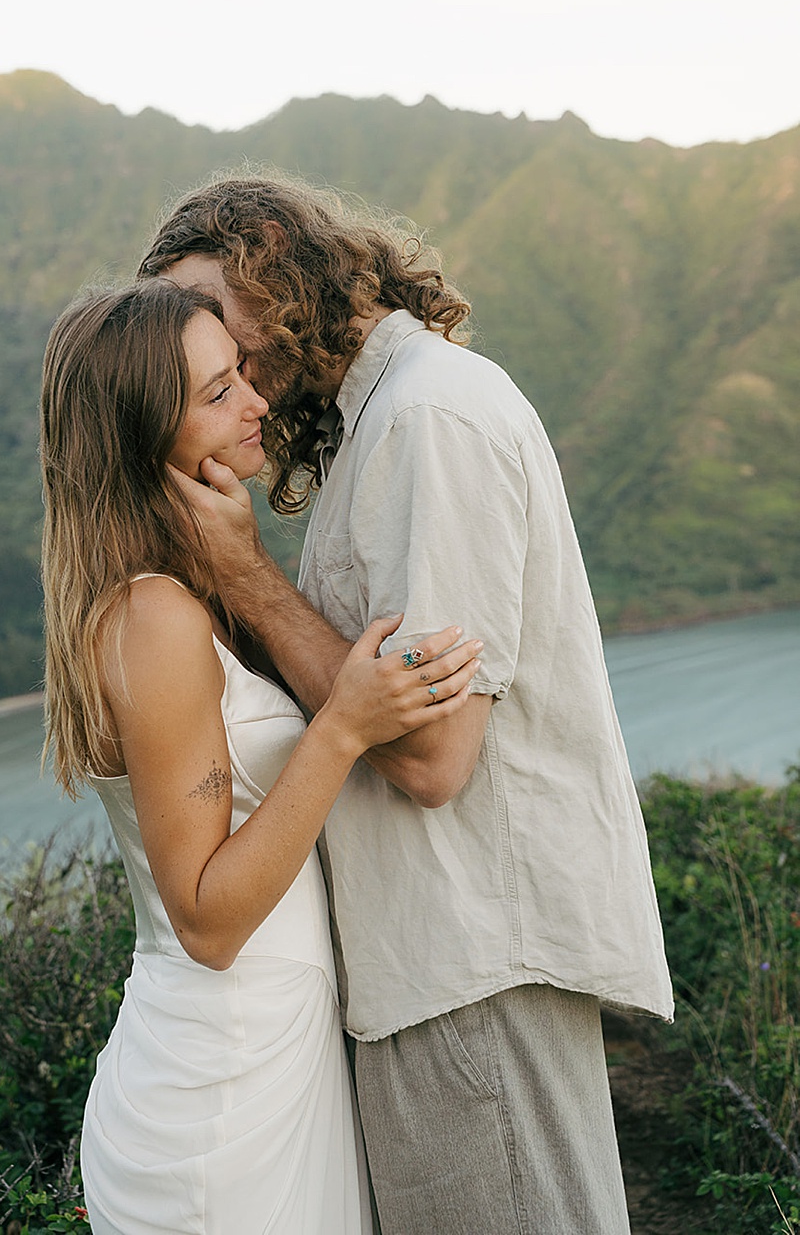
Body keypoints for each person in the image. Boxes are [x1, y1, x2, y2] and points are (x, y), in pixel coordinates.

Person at [137, 175, 673, 1234]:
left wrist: (247, 577)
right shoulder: (384, 415)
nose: (227, 363)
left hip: (464, 962)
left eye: (219, 321)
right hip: (439, 964)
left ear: (275, 258)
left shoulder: (426, 417)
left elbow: (430, 755)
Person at [42, 278, 485, 1233]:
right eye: (215, 393)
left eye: (240, 373)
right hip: (220, 1099)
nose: (255, 401)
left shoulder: (179, 600)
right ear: (137, 439)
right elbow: (204, 920)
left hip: (266, 1059)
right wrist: (342, 728)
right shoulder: (153, 616)